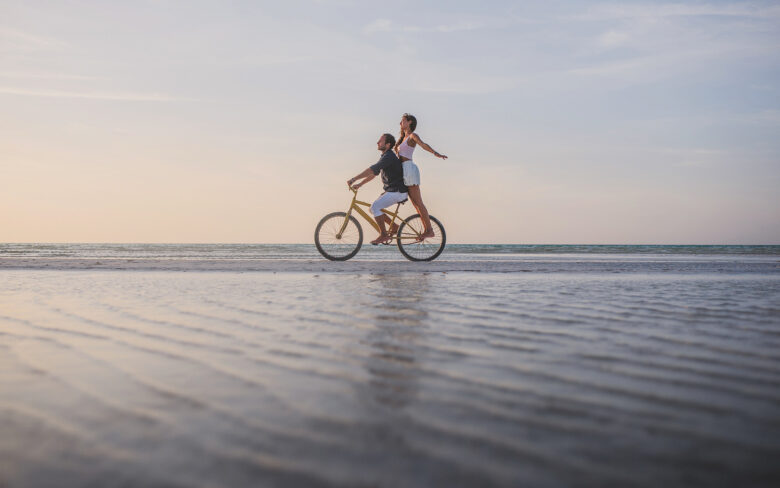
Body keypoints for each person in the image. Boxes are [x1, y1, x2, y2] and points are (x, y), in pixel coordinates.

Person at [347, 133, 408, 245]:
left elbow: (372, 169)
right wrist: (360, 184)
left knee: (375, 207)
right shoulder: (385, 157)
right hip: (393, 190)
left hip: (397, 191)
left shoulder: (389, 156)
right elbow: (374, 173)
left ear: (388, 145)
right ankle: (394, 227)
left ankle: (384, 235)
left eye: (380, 141)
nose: (377, 143)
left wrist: (353, 179)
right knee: (372, 209)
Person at [395, 113, 447, 241]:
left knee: (419, 202)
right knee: (415, 204)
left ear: (410, 122)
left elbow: (423, 145)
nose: (400, 123)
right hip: (403, 171)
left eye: (403, 121)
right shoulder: (402, 139)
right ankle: (426, 230)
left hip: (409, 169)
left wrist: (435, 153)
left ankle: (429, 230)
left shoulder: (412, 136)